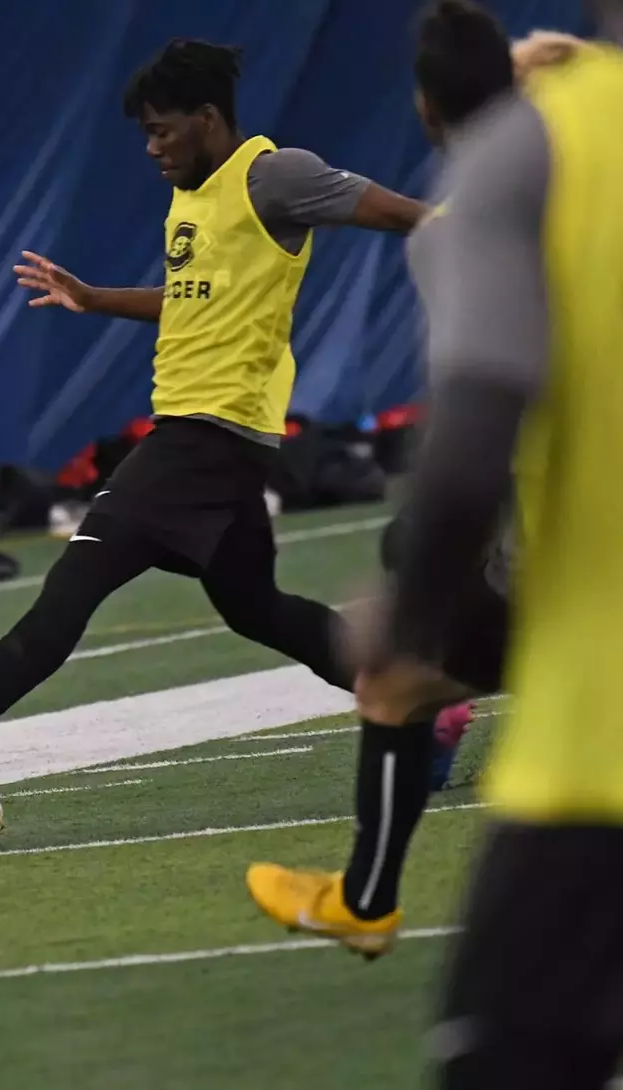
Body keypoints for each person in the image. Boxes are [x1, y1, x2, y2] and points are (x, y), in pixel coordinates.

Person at [0, 38, 427, 784]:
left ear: (208, 117)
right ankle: (415, 706)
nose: (153, 147)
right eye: (146, 134)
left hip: (207, 438)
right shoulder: (192, 198)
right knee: (254, 608)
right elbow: (193, 301)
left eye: (163, 130)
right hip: (210, 437)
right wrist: (95, 298)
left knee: (75, 584)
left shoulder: (275, 175)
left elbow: (396, 212)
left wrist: (487, 228)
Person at [356, 8, 623, 1084]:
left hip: (595, 746)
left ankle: (367, 895)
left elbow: (467, 452)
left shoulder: (539, 148)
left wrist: (412, 619)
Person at [246, 0, 523, 959]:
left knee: (394, 674)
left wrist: (415, 590)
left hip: (570, 552)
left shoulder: (456, 236)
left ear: (425, 109)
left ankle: (368, 902)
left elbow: (477, 421)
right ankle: (365, 898)